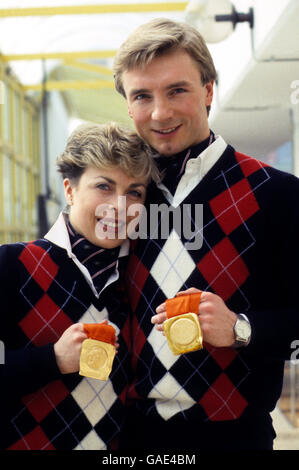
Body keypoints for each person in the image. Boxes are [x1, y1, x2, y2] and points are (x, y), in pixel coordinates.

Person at [113, 18, 299, 450]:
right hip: (130, 437)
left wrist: (241, 328)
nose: (160, 113)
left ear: (209, 90)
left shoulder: (279, 195)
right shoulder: (117, 199)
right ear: (127, 105)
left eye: (177, 90)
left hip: (236, 438)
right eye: (142, 95)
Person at [0, 121, 159, 450]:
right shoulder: (12, 265)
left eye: (134, 192)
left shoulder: (140, 278)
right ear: (70, 190)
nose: (119, 206)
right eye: (104, 186)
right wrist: (53, 359)